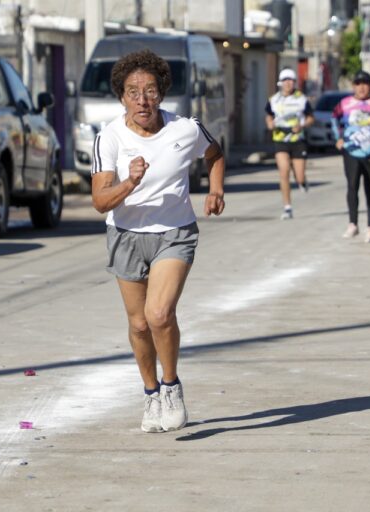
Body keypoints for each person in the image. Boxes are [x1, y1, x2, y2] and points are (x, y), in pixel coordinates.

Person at [90, 49, 226, 433]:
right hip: (126, 236)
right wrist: (130, 182)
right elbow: (101, 201)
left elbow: (215, 154)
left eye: (150, 90)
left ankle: (171, 386)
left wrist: (215, 189)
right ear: (122, 97)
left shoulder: (186, 129)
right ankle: (150, 393)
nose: (142, 100)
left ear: (161, 93)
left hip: (174, 232)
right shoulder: (109, 138)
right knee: (138, 325)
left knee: (159, 314)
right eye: (133, 92)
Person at [331, 70, 370, 243]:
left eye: (365, 84)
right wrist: (338, 138)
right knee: (352, 185)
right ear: (353, 86)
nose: (362, 87)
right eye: (358, 84)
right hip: (351, 151)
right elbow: (333, 119)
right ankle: (353, 223)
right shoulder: (345, 104)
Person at [264, 68, 314, 220]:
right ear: (281, 82)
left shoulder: (301, 99)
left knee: (298, 176)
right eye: (286, 80)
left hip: (298, 140)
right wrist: (270, 124)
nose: (288, 83)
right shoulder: (273, 100)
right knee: (284, 172)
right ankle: (287, 207)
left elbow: (311, 118)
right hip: (281, 139)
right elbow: (269, 116)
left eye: (291, 80)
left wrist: (302, 125)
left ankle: (302, 181)